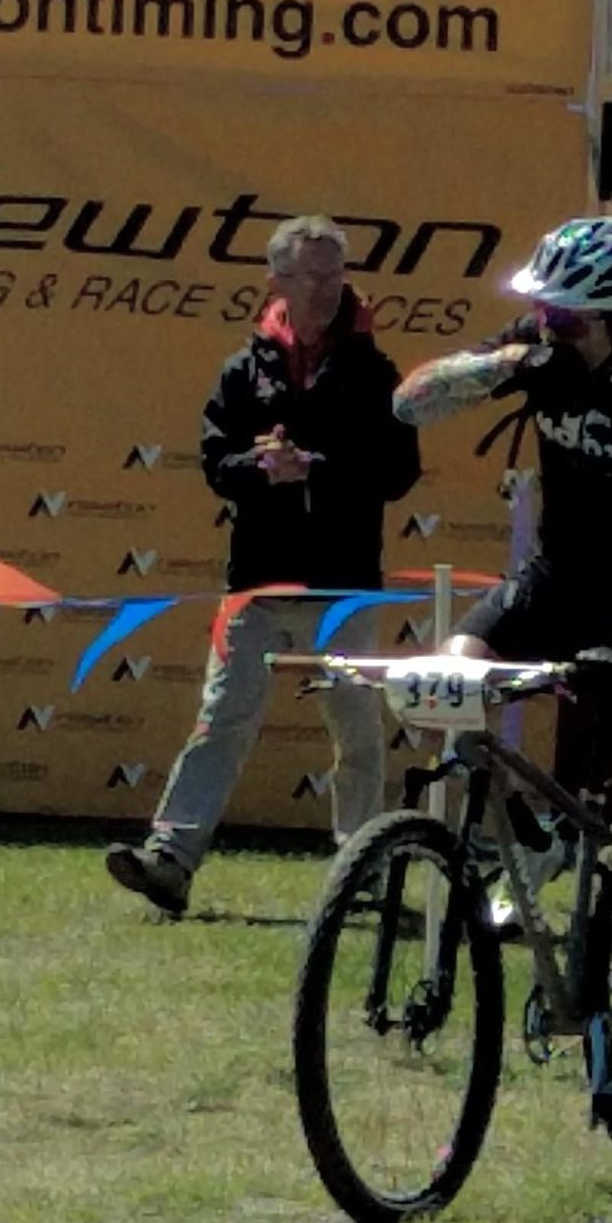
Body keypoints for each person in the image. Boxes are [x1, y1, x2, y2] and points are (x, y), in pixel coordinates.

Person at [391, 217, 612, 1125]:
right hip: (557, 575)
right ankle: (527, 833)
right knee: (453, 672)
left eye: (568, 318)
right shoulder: (539, 347)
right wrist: (500, 365)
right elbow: (409, 405)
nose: (551, 326)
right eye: (544, 311)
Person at [106, 217, 422, 917]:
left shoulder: (375, 371)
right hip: (255, 581)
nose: (326, 286)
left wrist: (317, 469)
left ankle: (359, 870)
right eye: (310, 273)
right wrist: (261, 467)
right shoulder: (242, 368)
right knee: (221, 718)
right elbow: (217, 463)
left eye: (335, 271)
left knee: (357, 731)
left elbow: (400, 470)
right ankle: (171, 862)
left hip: (343, 587)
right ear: (275, 279)